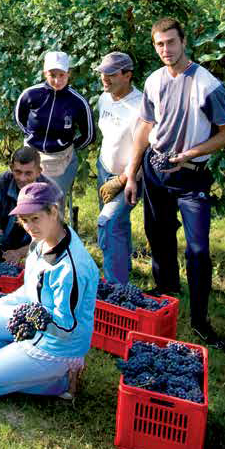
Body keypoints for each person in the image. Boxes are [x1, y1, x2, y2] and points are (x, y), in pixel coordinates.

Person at [124, 18, 225, 351]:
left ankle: (200, 322)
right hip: (156, 169)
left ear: (184, 41)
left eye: (171, 42)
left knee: (198, 250)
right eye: (159, 44)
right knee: (158, 233)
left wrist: (192, 152)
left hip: (191, 175)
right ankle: (166, 288)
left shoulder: (207, 85)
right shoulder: (154, 80)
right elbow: (145, 125)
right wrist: (132, 171)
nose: (165, 50)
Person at [0, 181, 99, 399]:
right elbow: (30, 290)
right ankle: (17, 360)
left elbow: (67, 327)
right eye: (24, 220)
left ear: (53, 211)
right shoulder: (41, 241)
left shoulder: (70, 268)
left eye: (35, 218)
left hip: (56, 346)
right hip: (34, 323)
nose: (30, 227)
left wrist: (28, 321)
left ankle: (61, 380)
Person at [14, 50, 94, 217]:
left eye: (62, 75)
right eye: (52, 75)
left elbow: (89, 135)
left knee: (52, 203)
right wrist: (31, 137)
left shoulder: (77, 102)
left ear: (69, 74)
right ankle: (26, 238)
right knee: (27, 200)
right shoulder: (30, 94)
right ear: (44, 73)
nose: (57, 80)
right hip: (32, 155)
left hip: (60, 159)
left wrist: (66, 145)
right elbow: (19, 118)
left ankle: (54, 238)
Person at [94, 52, 144, 285]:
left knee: (108, 222)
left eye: (111, 74)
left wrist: (125, 177)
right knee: (118, 224)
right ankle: (123, 266)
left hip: (128, 176)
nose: (105, 78)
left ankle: (115, 286)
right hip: (104, 169)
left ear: (127, 75)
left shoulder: (141, 107)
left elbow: (144, 149)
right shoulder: (105, 98)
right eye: (103, 73)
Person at [0, 146, 47, 264]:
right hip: (3, 245)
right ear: (11, 168)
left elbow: (50, 237)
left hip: (37, 248)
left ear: (39, 171)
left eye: (28, 173)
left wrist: (20, 253)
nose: (22, 178)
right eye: (18, 172)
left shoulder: (48, 192)